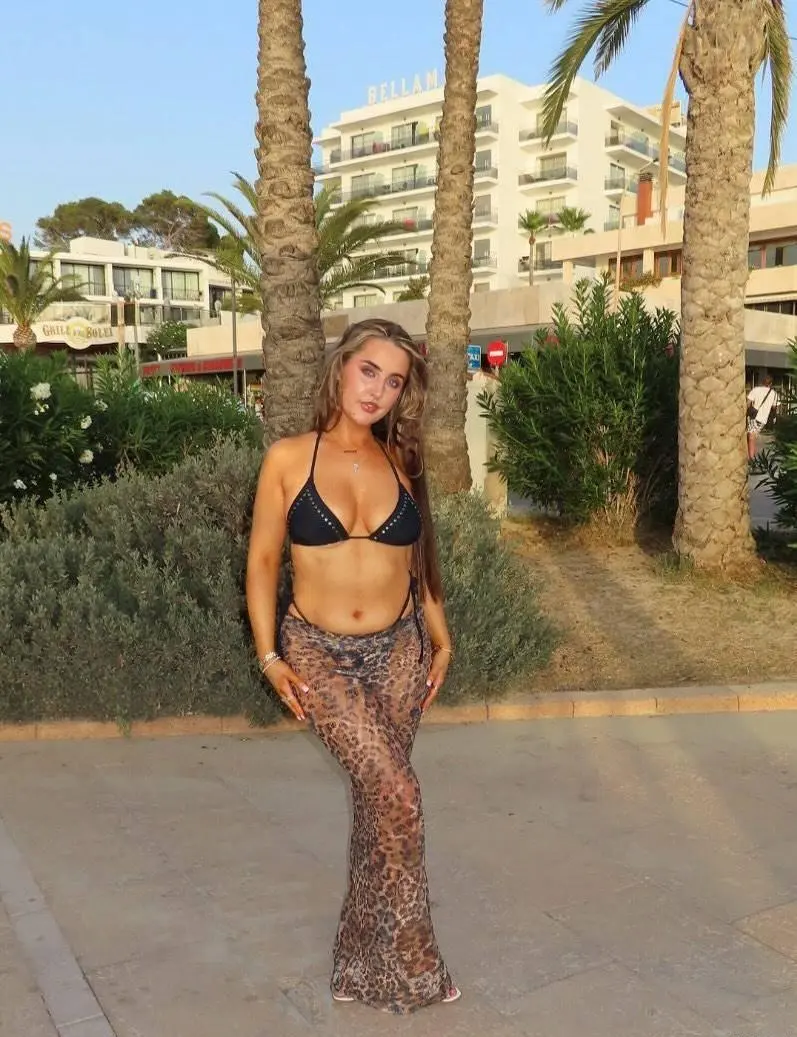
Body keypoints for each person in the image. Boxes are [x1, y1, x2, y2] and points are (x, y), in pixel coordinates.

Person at [246, 318, 460, 1014]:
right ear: (340, 367)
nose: (377, 390)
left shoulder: (403, 462)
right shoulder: (289, 458)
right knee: (399, 793)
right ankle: (415, 964)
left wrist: (440, 638)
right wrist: (270, 656)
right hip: (318, 652)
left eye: (393, 381)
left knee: (378, 808)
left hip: (399, 650)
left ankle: (354, 965)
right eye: (369, 371)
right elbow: (263, 561)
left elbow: (419, 562)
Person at [746, 375, 778, 460]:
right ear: (771, 384)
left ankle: (751, 458)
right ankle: (751, 456)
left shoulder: (756, 389)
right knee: (752, 436)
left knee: (751, 437)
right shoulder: (774, 393)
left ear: (762, 382)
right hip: (763, 419)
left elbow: (748, 403)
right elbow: (774, 407)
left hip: (754, 416)